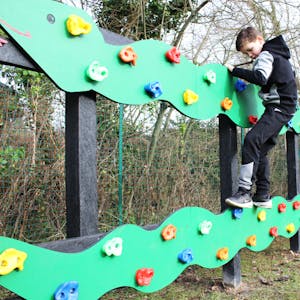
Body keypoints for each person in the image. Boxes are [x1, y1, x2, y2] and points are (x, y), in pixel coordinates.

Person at [224, 27, 298, 209]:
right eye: (246, 53)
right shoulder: (279, 55)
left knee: (251, 139)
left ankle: (244, 192)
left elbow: (260, 78)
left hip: (279, 108)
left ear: (260, 39)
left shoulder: (266, 54)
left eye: (250, 50)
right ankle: (262, 195)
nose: (250, 55)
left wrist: (234, 71)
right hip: (285, 109)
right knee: (261, 149)